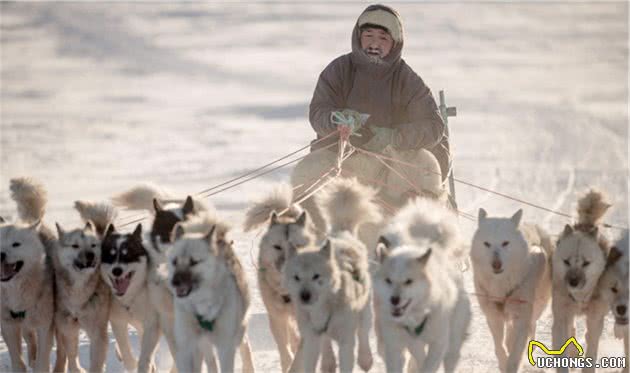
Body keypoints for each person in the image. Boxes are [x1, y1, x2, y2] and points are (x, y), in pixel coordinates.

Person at [291, 4, 451, 233]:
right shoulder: (339, 70)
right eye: (368, 36)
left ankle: (418, 240)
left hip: (392, 165)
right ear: (358, 38)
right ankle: (313, 241)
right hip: (342, 159)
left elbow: (434, 127)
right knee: (305, 171)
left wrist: (393, 137)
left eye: (383, 38)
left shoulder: (408, 80)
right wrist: (337, 121)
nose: (374, 43)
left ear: (395, 43)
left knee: (426, 163)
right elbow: (318, 111)